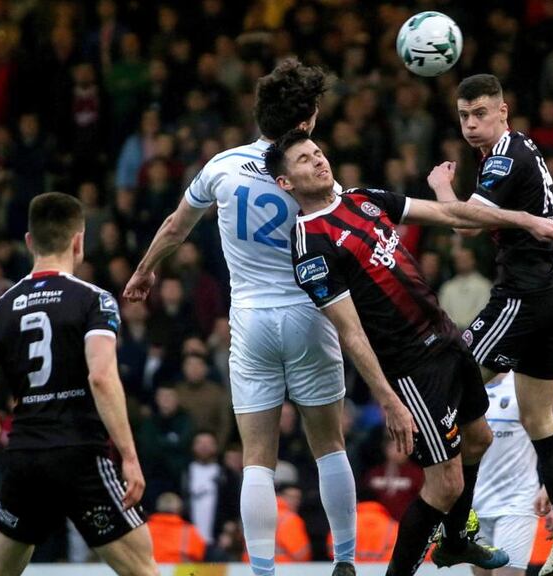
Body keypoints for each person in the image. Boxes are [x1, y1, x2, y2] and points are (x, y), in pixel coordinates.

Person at [266, 128, 553, 576]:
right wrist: (389, 398)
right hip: (410, 366)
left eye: (317, 152)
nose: (317, 160)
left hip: (447, 338)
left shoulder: (361, 198)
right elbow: (350, 332)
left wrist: (526, 220)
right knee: (444, 484)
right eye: (304, 160)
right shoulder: (311, 244)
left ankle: (456, 541)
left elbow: (447, 213)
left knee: (479, 438)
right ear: (286, 183)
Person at [122, 58, 359, 576]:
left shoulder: (222, 166)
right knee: (328, 446)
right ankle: (345, 562)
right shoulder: (315, 177)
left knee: (257, 457)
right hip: (309, 314)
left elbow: (175, 226)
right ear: (309, 121)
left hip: (249, 321)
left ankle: (263, 570)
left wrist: (144, 271)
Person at [0, 192, 158, 576]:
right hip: (81, 458)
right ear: (79, 241)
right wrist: (130, 456)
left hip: (26, 461)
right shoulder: (95, 301)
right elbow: (102, 377)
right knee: (144, 570)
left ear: (28, 242)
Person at [431, 72, 553, 576]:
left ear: (504, 112)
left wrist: (439, 186)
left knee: (445, 375)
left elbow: (463, 221)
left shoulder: (503, 155)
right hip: (551, 294)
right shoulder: (519, 147)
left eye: (481, 113)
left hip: (522, 296)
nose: (472, 124)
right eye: (464, 116)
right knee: (538, 419)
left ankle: (459, 520)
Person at [471, 369, 539, 576]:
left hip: (517, 502)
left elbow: (546, 437)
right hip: (476, 504)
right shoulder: (468, 387)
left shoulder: (523, 384)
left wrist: (549, 488)